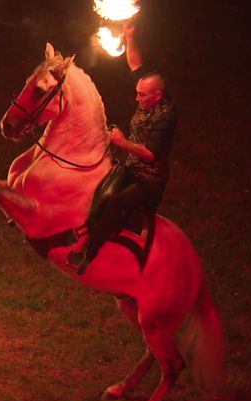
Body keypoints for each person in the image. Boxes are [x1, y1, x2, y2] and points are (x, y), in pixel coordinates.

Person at [69, 23, 176, 274]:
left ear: (157, 96)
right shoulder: (148, 92)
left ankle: (87, 255)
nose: (137, 99)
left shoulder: (165, 116)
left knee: (116, 202)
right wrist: (129, 37)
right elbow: (135, 65)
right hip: (130, 168)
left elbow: (150, 153)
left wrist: (121, 142)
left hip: (149, 181)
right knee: (98, 186)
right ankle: (83, 230)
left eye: (142, 96)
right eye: (137, 93)